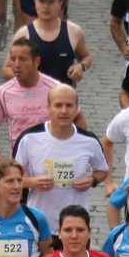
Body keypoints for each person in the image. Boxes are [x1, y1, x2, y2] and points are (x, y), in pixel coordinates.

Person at [13, 85, 110, 226]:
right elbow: (10, 178)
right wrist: (32, 183)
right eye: (58, 105)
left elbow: (102, 170)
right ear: (48, 108)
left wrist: (92, 180)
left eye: (69, 106)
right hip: (39, 223)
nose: (64, 111)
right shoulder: (29, 138)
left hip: (75, 226)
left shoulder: (89, 141)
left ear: (77, 109)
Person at [0, 39, 63, 162]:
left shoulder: (55, 89)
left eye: (23, 59)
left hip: (52, 161)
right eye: (13, 59)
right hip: (19, 164)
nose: (16, 65)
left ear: (36, 62)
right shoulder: (2, 93)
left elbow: (78, 119)